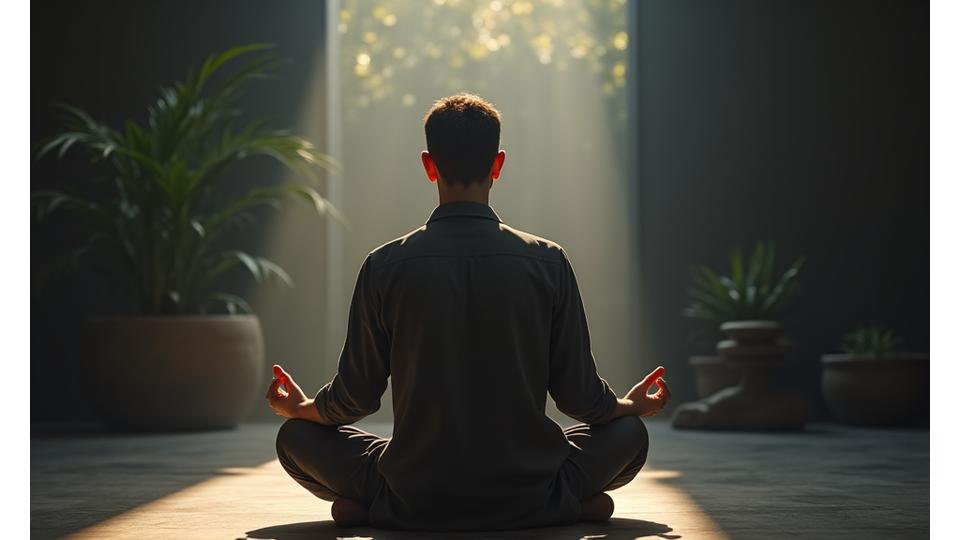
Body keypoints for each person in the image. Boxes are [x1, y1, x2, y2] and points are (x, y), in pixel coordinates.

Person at [266, 93, 671, 531]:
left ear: (428, 164)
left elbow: (355, 399)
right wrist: (630, 406)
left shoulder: (384, 265)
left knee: (295, 439)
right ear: (498, 165)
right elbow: (580, 398)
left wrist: (302, 408)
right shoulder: (548, 262)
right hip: (527, 485)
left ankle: (384, 508)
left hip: (415, 487)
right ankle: (560, 505)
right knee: (630, 436)